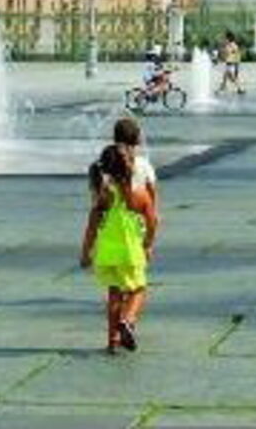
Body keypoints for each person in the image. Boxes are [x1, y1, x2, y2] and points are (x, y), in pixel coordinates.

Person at [80, 143, 159, 353]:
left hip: (106, 252)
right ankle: (127, 321)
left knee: (114, 292)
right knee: (138, 289)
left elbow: (92, 226)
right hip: (130, 251)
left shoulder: (103, 195)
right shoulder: (140, 194)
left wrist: (86, 252)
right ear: (130, 167)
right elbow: (153, 222)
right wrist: (148, 244)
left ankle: (112, 340)